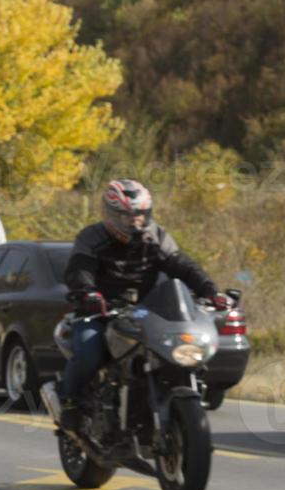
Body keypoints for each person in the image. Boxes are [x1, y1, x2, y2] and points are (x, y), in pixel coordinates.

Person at [45, 179, 225, 431]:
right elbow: (79, 271)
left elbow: (183, 266)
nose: (135, 221)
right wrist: (88, 294)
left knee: (179, 348)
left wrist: (210, 290)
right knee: (89, 351)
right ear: (109, 214)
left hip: (145, 312)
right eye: (126, 215)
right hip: (100, 312)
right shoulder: (91, 237)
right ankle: (70, 403)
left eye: (140, 214)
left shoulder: (156, 237)